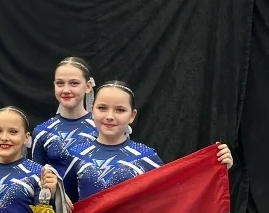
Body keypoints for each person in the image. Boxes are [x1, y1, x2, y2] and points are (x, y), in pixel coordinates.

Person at [68, 81, 233, 198]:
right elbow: (65, 204)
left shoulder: (145, 156)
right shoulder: (76, 153)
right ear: (92, 110)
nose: (110, 116)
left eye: (120, 110)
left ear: (132, 116)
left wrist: (216, 169)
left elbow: (179, 195)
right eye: (102, 108)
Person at [0, 107, 58, 213]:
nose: (4, 138)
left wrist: (51, 197)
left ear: (26, 137)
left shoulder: (39, 174)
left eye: (13, 132)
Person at [32, 56, 97, 178]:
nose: (66, 90)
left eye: (74, 83)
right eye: (60, 83)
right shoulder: (42, 132)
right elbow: (37, 181)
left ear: (88, 86)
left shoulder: (101, 128)